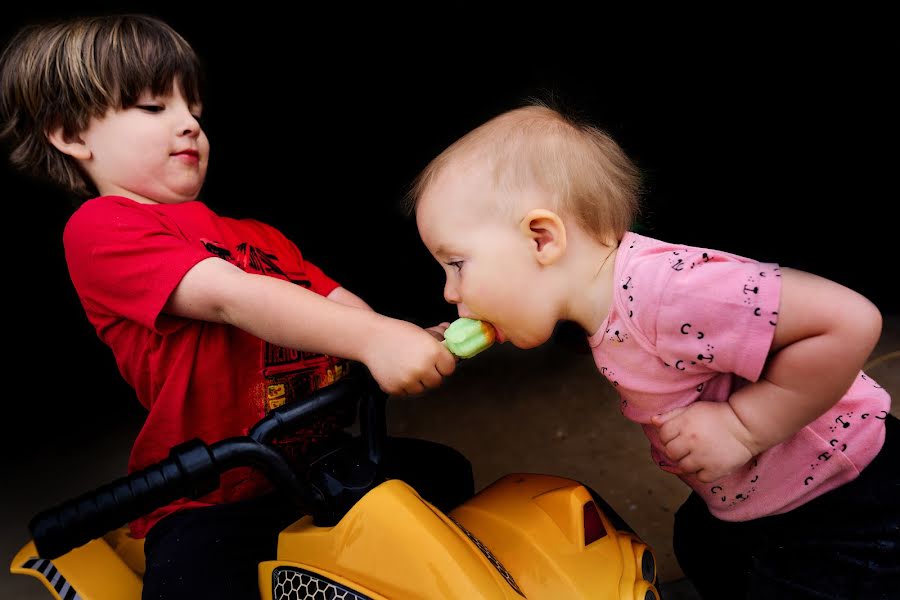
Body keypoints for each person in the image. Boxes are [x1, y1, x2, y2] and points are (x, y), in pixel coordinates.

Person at [0, 14, 472, 599]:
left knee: (444, 477)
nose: (188, 126)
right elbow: (229, 297)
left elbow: (331, 300)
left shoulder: (256, 235)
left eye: (193, 110)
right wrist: (375, 343)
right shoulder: (102, 229)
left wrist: (397, 335)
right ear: (72, 135)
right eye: (153, 108)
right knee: (194, 581)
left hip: (317, 459)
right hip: (209, 491)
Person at [407, 101, 898, 599]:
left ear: (541, 239)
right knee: (702, 545)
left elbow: (849, 322)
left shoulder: (668, 293)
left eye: (457, 264)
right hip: (761, 498)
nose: (449, 292)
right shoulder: (595, 309)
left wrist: (743, 426)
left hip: (844, 496)